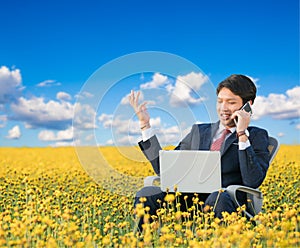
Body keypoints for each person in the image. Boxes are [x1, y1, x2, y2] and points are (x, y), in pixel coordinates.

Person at [129, 74, 270, 228]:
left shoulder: (256, 135)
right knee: (146, 194)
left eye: (231, 102)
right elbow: (164, 169)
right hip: (188, 201)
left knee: (218, 198)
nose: (223, 108)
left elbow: (253, 181)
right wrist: (145, 125)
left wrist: (242, 134)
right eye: (220, 101)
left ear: (247, 105)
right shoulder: (199, 130)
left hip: (226, 203)